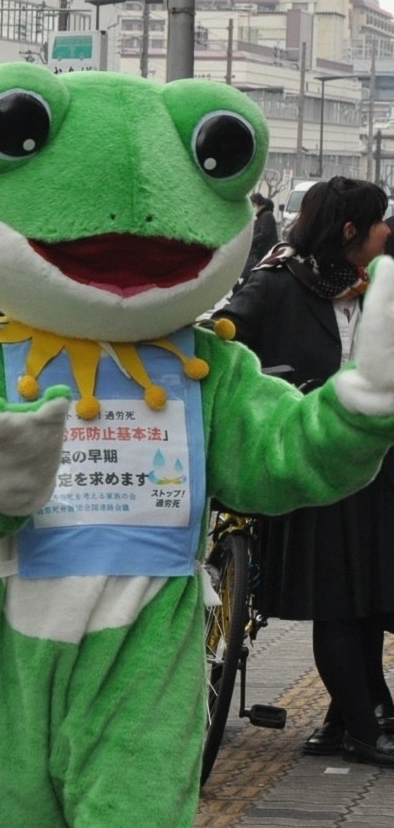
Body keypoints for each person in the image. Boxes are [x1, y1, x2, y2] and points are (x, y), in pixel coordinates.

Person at [220, 176, 394, 766]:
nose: (386, 230)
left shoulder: (371, 287)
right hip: (309, 461)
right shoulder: (276, 281)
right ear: (350, 230)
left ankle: (346, 719)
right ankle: (366, 728)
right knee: (336, 601)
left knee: (366, 600)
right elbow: (228, 346)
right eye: (378, 220)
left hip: (372, 470)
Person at [241, 191, 279, 279]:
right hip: (259, 254)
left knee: (250, 278)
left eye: (252, 205)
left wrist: (250, 240)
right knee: (248, 278)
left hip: (263, 255)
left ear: (256, 203)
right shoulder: (261, 217)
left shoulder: (267, 215)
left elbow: (264, 234)